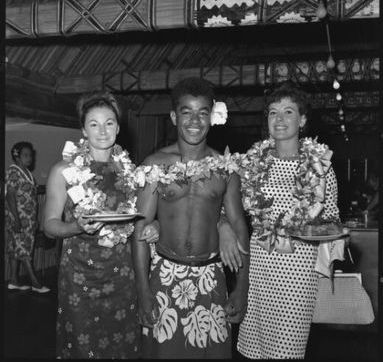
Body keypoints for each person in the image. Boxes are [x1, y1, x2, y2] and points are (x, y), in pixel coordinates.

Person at [220, 81, 346, 359]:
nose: (279, 119)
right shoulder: (253, 161)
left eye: (288, 112)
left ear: (302, 120)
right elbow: (227, 205)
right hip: (257, 263)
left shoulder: (320, 164)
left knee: (287, 349)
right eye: (273, 112)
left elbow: (333, 219)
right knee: (253, 349)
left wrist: (314, 227)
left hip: (297, 268)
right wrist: (224, 224)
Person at [132, 77, 250, 359]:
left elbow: (239, 226)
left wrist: (242, 288)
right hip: (165, 274)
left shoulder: (226, 167)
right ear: (174, 116)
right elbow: (139, 229)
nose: (195, 120)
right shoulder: (154, 164)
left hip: (211, 276)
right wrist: (143, 289)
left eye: (203, 112)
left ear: (213, 117)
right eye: (186, 112)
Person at [43, 91, 158, 359]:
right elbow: (49, 225)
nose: (102, 130)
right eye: (94, 124)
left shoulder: (130, 172)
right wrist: (76, 227)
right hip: (79, 276)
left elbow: (143, 218)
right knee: (82, 345)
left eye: (109, 123)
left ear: (118, 127)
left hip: (122, 274)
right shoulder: (64, 171)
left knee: (121, 343)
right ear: (83, 129)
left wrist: (157, 227)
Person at [5, 141, 50, 293]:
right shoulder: (13, 171)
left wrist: (34, 219)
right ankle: (35, 283)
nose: (29, 158)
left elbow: (30, 199)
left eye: (30, 155)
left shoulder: (27, 173)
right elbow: (10, 197)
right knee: (24, 251)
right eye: (25, 155)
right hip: (18, 218)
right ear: (17, 156)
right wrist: (17, 220)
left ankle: (13, 281)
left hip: (28, 219)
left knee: (15, 249)